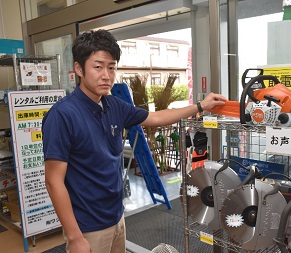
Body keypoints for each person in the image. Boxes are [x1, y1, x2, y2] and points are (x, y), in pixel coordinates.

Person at [42, 29, 226, 253]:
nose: (106, 75)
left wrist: (200, 106)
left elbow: (156, 117)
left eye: (111, 67)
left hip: (116, 217)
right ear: (79, 69)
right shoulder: (62, 115)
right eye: (98, 66)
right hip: (87, 227)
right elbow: (53, 181)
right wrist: (74, 237)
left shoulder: (113, 105)